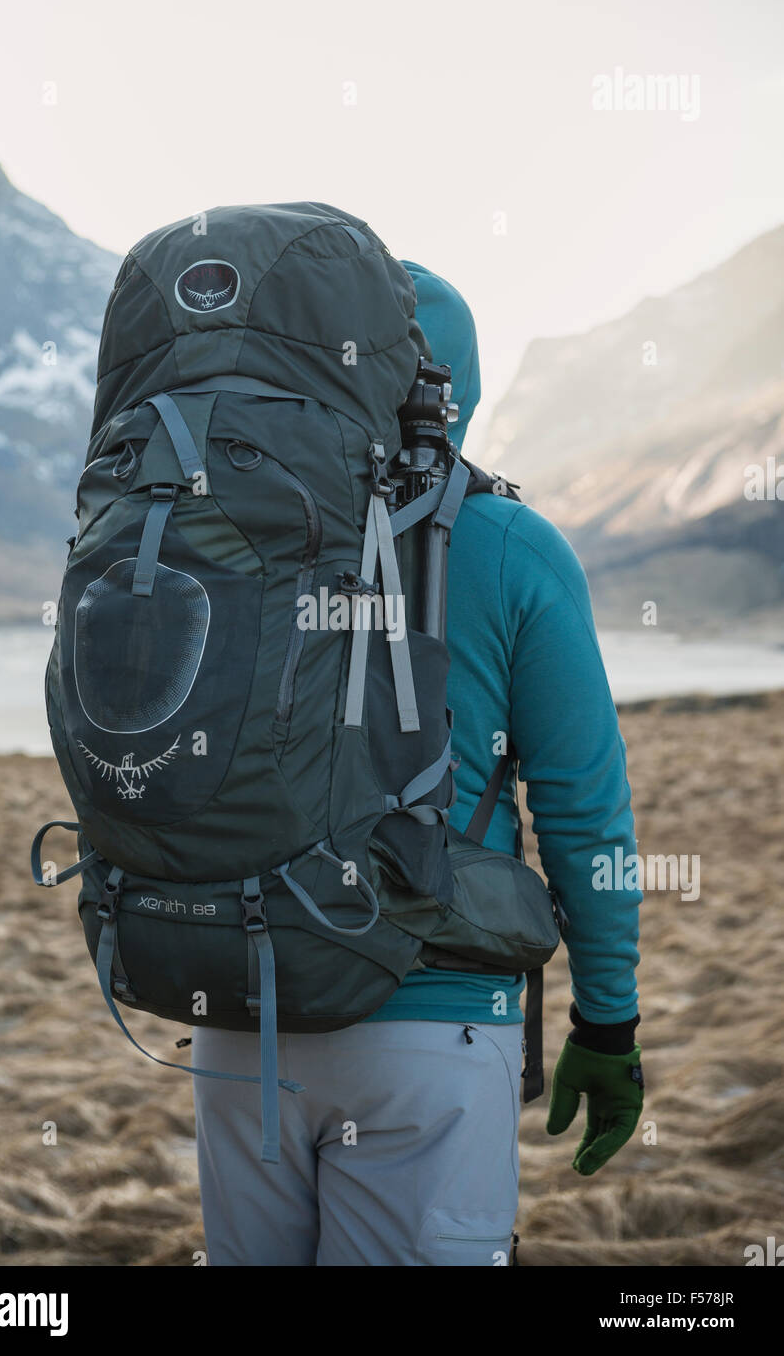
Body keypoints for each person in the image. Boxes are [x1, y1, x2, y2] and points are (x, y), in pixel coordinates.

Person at [191, 261, 643, 1267]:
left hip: (239, 1022)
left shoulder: (219, 528)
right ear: (458, 389)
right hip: (434, 1030)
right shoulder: (512, 544)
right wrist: (607, 1021)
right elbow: (583, 813)